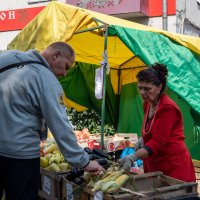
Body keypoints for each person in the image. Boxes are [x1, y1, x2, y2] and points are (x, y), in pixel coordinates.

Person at [0, 42, 104, 200]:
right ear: (56, 55)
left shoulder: (8, 56)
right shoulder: (47, 81)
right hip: (21, 156)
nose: (64, 73)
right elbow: (60, 126)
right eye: (66, 66)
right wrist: (84, 162)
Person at [119, 63, 196, 182]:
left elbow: (158, 142)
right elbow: (152, 130)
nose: (142, 92)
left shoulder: (168, 108)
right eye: (140, 88)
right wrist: (143, 139)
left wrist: (134, 157)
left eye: (147, 88)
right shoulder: (147, 104)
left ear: (159, 88)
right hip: (155, 164)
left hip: (173, 167)